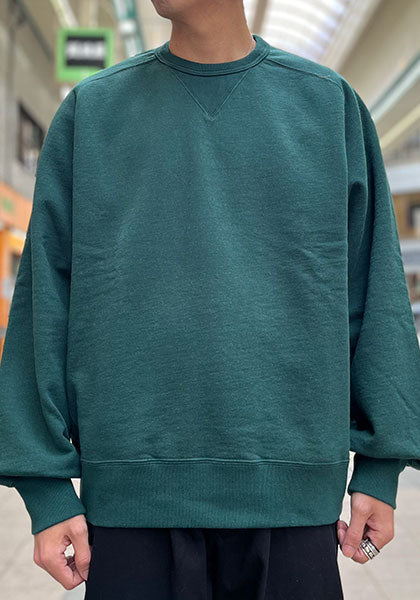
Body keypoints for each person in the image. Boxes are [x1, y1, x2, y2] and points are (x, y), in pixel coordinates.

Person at [1, 0, 420, 598]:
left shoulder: (329, 108)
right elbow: (45, 306)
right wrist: (44, 490)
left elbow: (374, 299)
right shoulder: (91, 115)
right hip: (131, 509)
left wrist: (380, 468)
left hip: (292, 507)